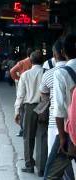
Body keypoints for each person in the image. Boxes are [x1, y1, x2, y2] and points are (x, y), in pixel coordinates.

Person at [40, 39, 74, 179]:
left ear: (61, 53)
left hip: (65, 128)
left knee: (51, 172)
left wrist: (61, 137)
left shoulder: (57, 73)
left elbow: (58, 107)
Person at [14, 50, 45, 174]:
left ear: (30, 61)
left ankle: (29, 165)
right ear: (42, 61)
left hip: (30, 108)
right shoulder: (46, 73)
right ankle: (42, 167)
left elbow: (20, 95)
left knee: (28, 137)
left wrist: (16, 111)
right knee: (42, 137)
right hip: (44, 107)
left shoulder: (25, 75)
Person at [11, 48, 33, 137]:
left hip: (23, 88)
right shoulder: (36, 63)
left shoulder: (22, 62)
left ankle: (22, 129)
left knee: (21, 109)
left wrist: (18, 79)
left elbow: (12, 71)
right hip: (32, 88)